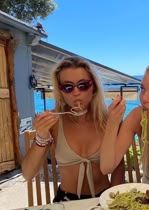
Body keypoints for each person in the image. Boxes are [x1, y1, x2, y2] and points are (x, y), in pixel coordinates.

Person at [22, 57, 125, 201]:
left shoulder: (109, 120)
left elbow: (118, 166)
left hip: (105, 198)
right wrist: (41, 137)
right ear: (60, 91)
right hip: (66, 200)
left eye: (83, 85)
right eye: (68, 87)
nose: (76, 93)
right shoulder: (55, 122)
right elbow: (28, 174)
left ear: (94, 87)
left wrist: (115, 201)